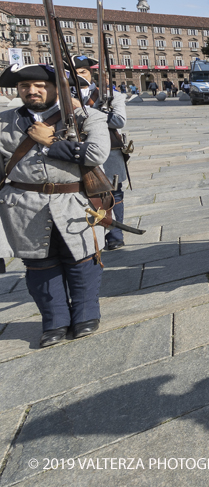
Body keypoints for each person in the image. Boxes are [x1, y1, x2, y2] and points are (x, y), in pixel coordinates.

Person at [0, 64, 111, 347]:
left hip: (74, 201)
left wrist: (50, 143)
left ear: (56, 88)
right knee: (39, 265)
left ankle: (86, 314)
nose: (32, 91)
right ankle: (54, 321)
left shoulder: (86, 116)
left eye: (39, 85)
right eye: (25, 87)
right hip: (24, 205)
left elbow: (96, 152)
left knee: (82, 259)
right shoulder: (4, 121)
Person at [73, 56, 130, 251]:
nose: (80, 76)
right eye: (75, 73)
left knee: (114, 193)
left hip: (109, 151)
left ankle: (115, 235)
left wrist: (86, 111)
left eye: (83, 72)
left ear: (91, 74)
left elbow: (119, 121)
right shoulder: (61, 97)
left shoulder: (110, 96)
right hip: (76, 152)